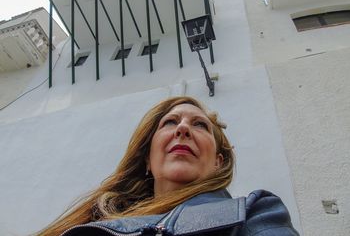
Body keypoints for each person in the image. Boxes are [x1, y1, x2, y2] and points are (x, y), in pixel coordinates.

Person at [37, 96, 299, 236]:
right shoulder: (96, 222)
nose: (183, 128)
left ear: (219, 164)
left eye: (199, 125)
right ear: (148, 160)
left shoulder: (255, 213)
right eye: (170, 122)